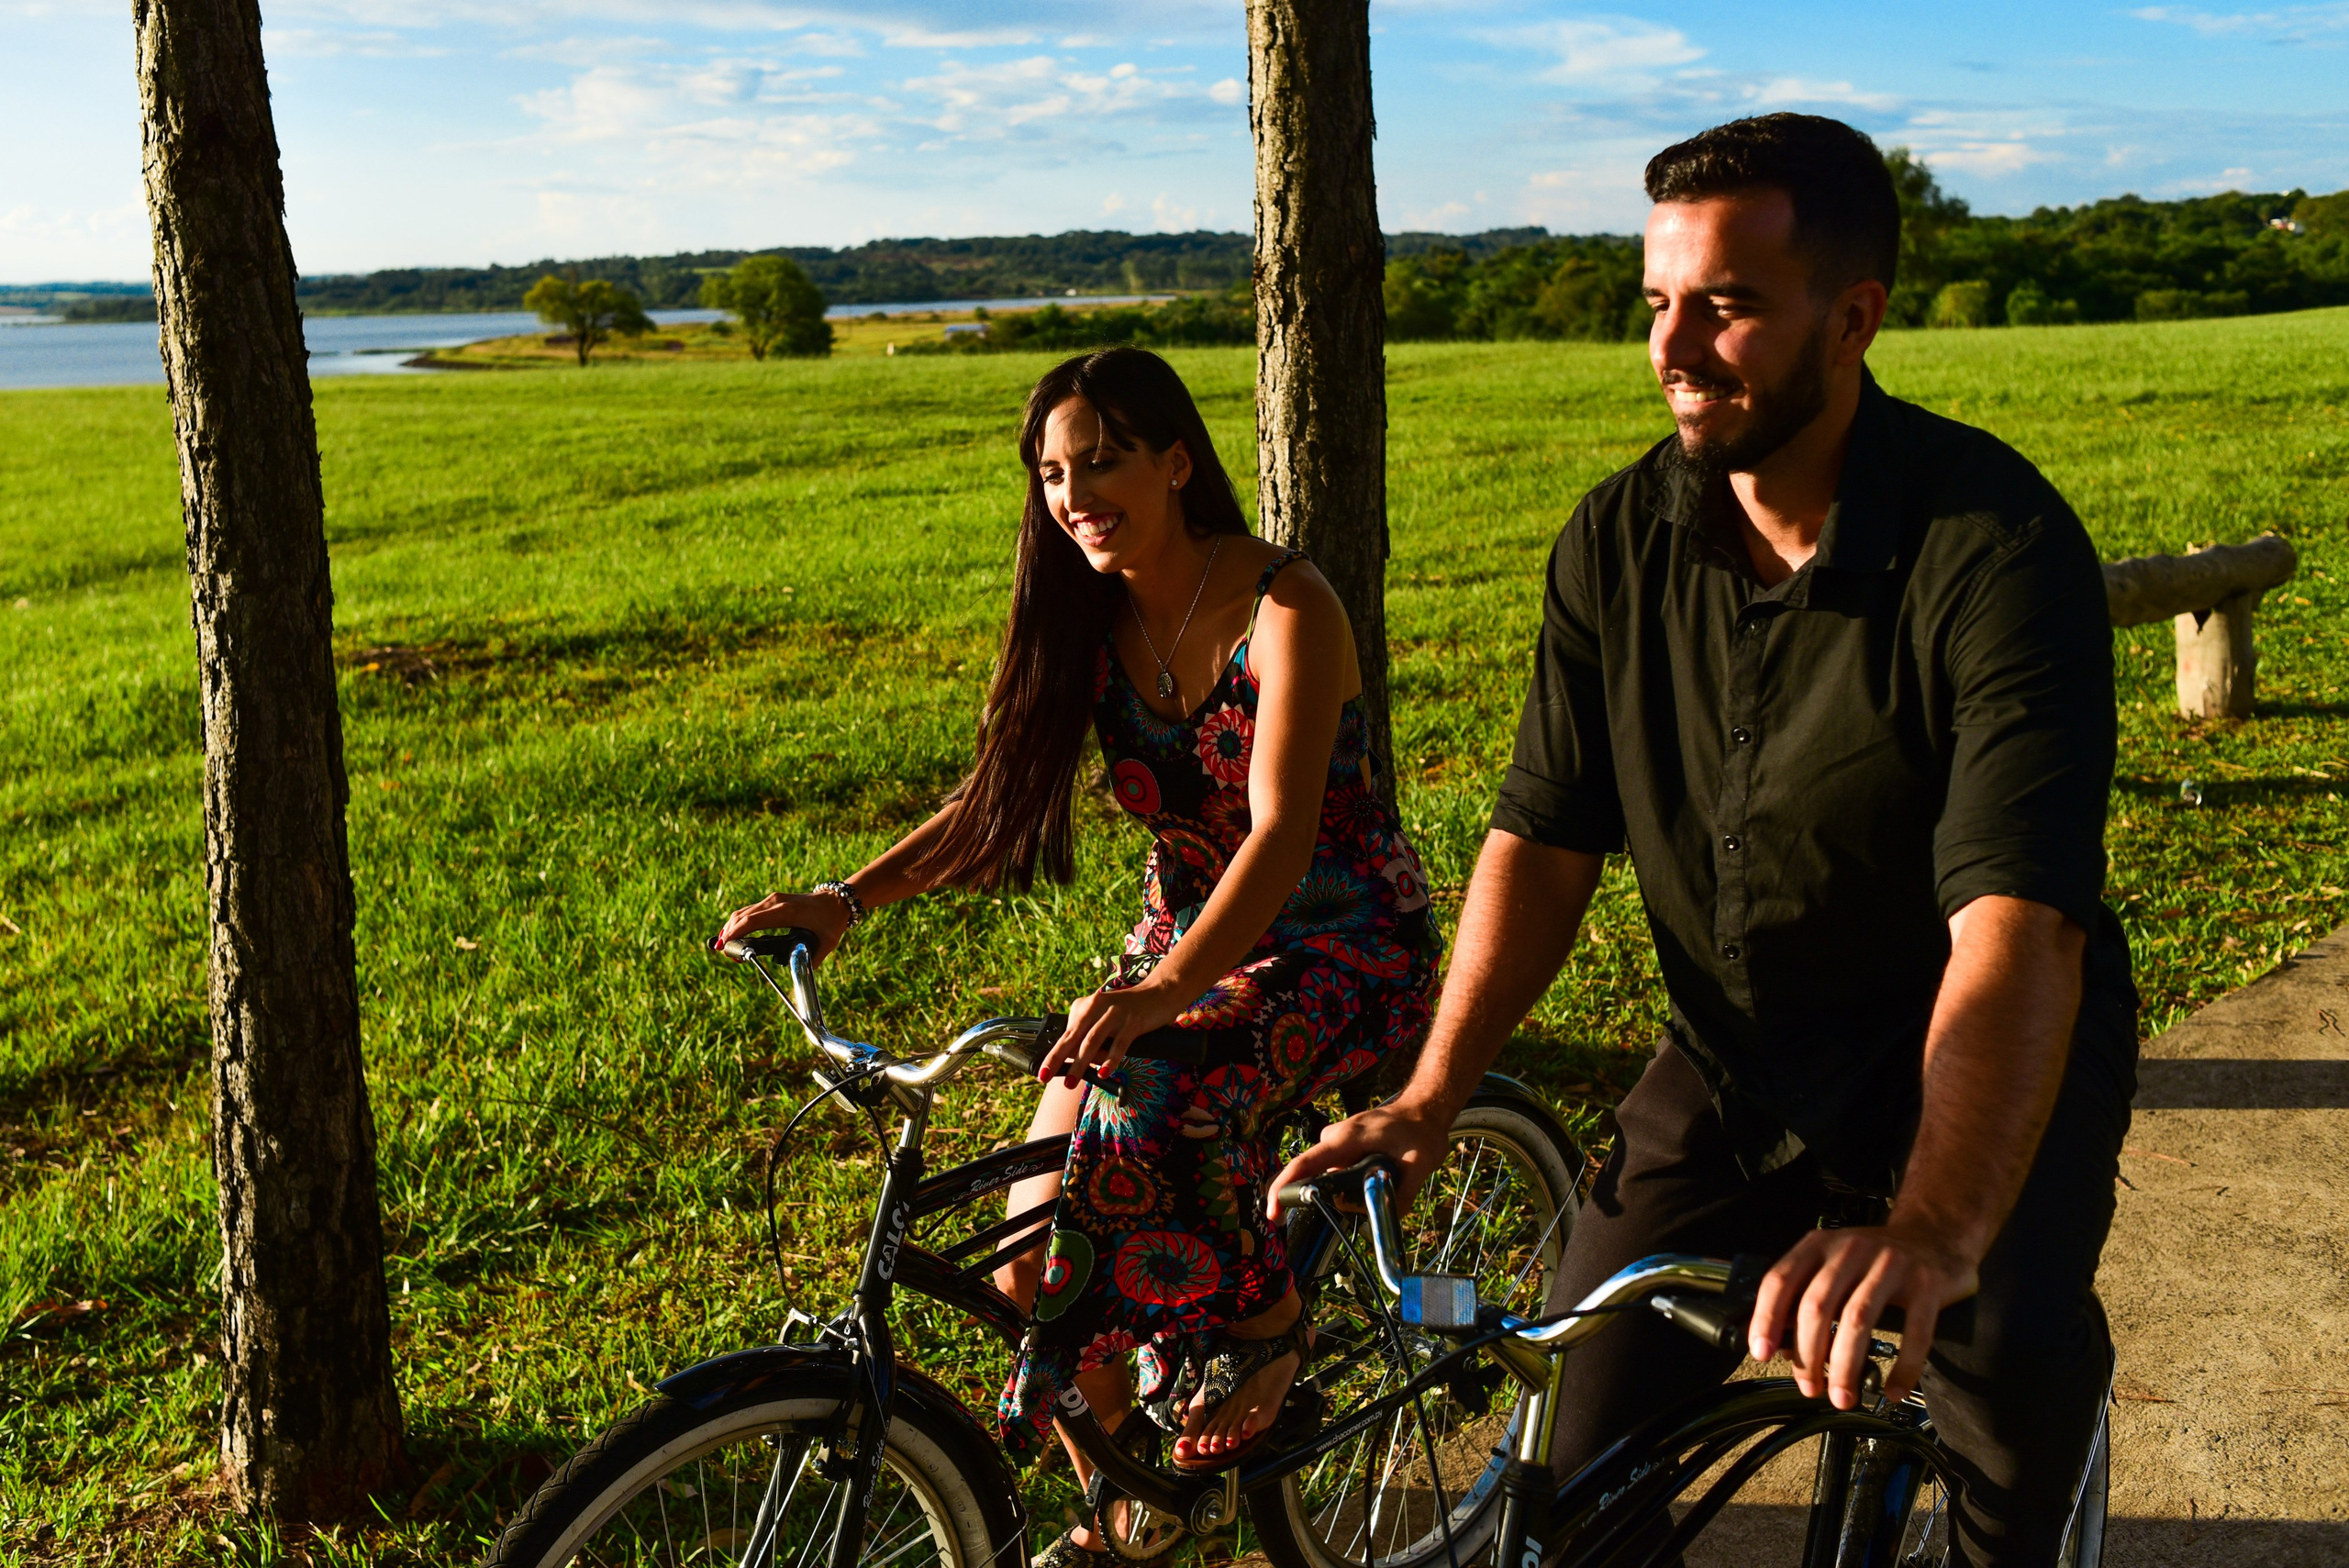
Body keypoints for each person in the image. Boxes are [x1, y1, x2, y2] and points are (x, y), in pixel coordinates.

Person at [1274, 114, 2137, 1567]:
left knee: (1999, 1403)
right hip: (1737, 1061)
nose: (1673, 347)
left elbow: (2016, 921)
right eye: (1657, 304)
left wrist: (1931, 1222)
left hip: (1978, 1052)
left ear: (1853, 316)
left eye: (1725, 307)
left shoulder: (1996, 550)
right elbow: (1542, 841)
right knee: (1572, 1477)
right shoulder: (1614, 542)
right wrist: (1429, 1097)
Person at [714, 348, 1441, 1559]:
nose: (1075, 492)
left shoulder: (1287, 605)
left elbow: (1281, 834)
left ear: (1176, 461)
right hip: (1178, 951)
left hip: (1340, 941)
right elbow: (993, 798)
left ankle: (1268, 1321)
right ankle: (1130, 1499)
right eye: (1053, 471)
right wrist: (848, 897)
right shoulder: (1088, 622)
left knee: (1159, 1096)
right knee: (1027, 1255)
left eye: (1100, 459)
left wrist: (1163, 990)